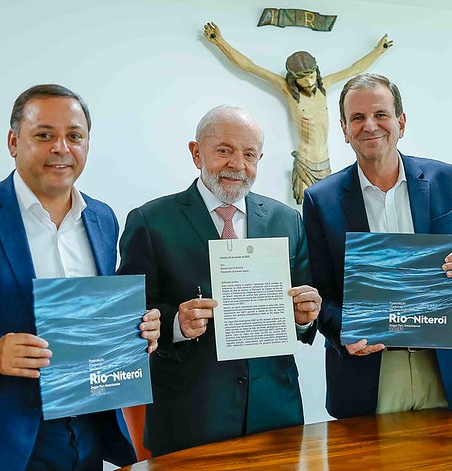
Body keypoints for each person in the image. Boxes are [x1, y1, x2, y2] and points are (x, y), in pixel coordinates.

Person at [0, 84, 161, 469]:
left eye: (74, 136)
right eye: (44, 135)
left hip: (86, 435)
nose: (61, 147)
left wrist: (136, 331)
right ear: (14, 142)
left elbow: (93, 318)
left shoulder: (103, 218)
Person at [117, 105, 321, 455]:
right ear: (196, 153)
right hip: (190, 414)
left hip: (275, 412)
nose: (237, 165)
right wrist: (176, 323)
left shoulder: (287, 220)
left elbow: (303, 307)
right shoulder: (151, 221)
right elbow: (128, 316)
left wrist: (304, 319)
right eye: (224, 150)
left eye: (249, 154)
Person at [302, 73, 452, 418]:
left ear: (400, 121)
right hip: (369, 372)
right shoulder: (319, 200)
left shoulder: (446, 180)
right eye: (357, 118)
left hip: (442, 367)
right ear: (344, 129)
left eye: (381, 114)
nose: (370, 125)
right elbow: (318, 291)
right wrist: (345, 333)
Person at [203, 22, 392, 203]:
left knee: (328, 207)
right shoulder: (290, 92)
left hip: (325, 163)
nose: (309, 82)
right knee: (304, 209)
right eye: (303, 79)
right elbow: (250, 66)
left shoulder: (323, 86)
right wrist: (219, 41)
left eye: (311, 76)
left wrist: (379, 50)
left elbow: (355, 69)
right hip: (304, 161)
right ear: (293, 80)